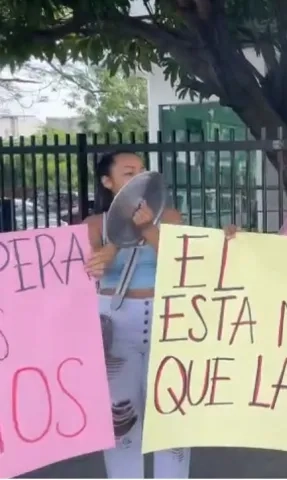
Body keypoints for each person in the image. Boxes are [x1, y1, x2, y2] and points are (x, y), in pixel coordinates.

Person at [83, 151, 192, 478]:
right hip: (116, 324)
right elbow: (92, 271)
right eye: (129, 173)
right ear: (108, 182)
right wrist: (117, 237)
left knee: (172, 418)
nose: (139, 179)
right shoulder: (94, 224)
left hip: (167, 320)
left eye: (143, 172)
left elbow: (183, 261)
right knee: (121, 420)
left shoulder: (169, 217)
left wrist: (147, 228)